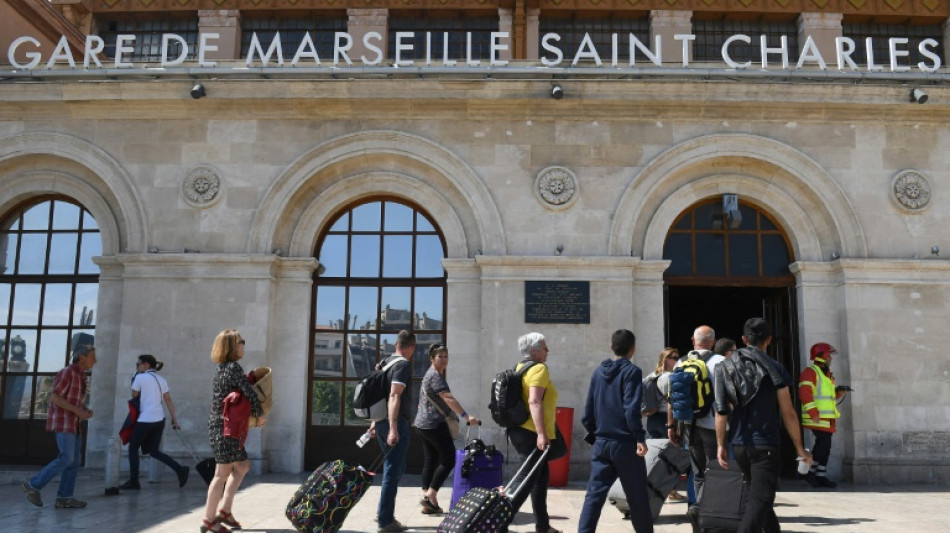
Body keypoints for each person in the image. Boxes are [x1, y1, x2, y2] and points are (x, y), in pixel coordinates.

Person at [714, 318, 812, 533]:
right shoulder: (775, 368)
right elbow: (788, 412)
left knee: (759, 496)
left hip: (739, 444)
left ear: (743, 339)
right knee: (762, 498)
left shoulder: (724, 367)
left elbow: (721, 410)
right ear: (769, 340)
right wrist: (799, 448)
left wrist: (720, 444)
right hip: (765, 444)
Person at [578, 329, 654, 533]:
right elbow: (631, 409)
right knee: (637, 497)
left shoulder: (598, 373)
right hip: (625, 443)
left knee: (594, 496)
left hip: (602, 442)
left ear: (611, 347)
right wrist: (639, 437)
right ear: (633, 349)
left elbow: (587, 413)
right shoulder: (632, 372)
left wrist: (596, 433)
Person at [200, 329, 265, 533]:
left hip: (224, 426)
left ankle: (225, 511)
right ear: (232, 347)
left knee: (243, 466)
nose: (243, 345)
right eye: (241, 341)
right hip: (225, 428)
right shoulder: (233, 368)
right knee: (221, 473)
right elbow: (248, 393)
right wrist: (260, 414)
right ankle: (209, 520)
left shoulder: (223, 369)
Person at [22, 345, 97, 509]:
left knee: (74, 461)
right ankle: (33, 485)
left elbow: (71, 401)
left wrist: (84, 411)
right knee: (67, 458)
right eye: (92, 357)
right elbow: (55, 397)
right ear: (82, 357)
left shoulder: (81, 376)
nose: (95, 360)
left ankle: (64, 497)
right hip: (64, 424)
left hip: (75, 425)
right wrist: (78, 410)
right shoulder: (68, 372)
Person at [506, 332, 567, 533]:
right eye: (544, 347)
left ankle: (543, 525)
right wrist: (541, 433)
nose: (547, 351)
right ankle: (500, 523)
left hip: (519, 431)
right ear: (534, 351)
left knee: (540, 480)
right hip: (532, 433)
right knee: (525, 481)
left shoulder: (519, 368)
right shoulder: (539, 368)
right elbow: (534, 401)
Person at [413, 343, 479, 514]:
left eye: (445, 356)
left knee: (431, 459)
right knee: (449, 458)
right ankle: (431, 495)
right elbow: (448, 398)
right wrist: (466, 416)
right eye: (439, 357)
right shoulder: (436, 376)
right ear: (431, 359)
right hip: (433, 424)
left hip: (421, 424)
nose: (443, 360)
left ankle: (428, 499)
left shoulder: (430, 375)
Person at [668, 325, 723, 525]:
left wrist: (670, 426)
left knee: (697, 471)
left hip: (688, 424)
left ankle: (697, 511)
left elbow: (671, 398)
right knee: (716, 470)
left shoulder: (681, 362)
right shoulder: (721, 362)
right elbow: (724, 399)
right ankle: (706, 511)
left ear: (693, 341)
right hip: (712, 425)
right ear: (713, 342)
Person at [119, 354, 189, 490]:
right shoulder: (161, 379)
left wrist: (135, 377)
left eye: (138, 364)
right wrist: (174, 419)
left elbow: (134, 395)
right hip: (159, 419)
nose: (137, 366)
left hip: (145, 419)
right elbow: (168, 399)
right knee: (154, 451)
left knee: (133, 449)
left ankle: (134, 481)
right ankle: (179, 469)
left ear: (146, 365)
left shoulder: (140, 377)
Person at [372, 330, 415, 533]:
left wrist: (375, 422)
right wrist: (393, 427)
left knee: (395, 468)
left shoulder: (384, 362)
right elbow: (394, 396)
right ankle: (385, 521)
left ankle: (384, 512)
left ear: (396, 345)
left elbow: (376, 395)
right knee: (392, 470)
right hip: (395, 424)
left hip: (381, 422)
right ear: (412, 348)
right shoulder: (403, 364)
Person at [798, 342, 849, 488]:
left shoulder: (826, 374)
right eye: (829, 355)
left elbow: (828, 397)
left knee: (826, 447)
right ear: (821, 355)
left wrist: (839, 392)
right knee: (822, 445)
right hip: (817, 418)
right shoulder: (810, 372)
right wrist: (813, 413)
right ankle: (808, 472)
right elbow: (805, 394)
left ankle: (820, 475)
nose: (830, 358)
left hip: (827, 418)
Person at [640, 347, 685, 501]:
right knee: (671, 458)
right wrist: (672, 425)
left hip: (652, 420)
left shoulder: (650, 376)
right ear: (665, 359)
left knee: (655, 458)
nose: (677, 359)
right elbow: (672, 402)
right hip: (667, 419)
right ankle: (671, 490)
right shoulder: (670, 377)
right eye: (674, 357)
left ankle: (652, 489)